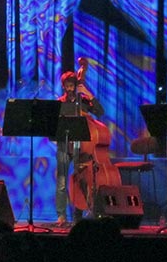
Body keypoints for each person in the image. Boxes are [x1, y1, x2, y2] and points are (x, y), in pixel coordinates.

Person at [55, 70, 104, 226]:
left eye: (72, 86)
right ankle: (61, 216)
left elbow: (100, 112)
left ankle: (78, 216)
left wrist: (89, 94)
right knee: (62, 182)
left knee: (80, 180)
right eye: (67, 86)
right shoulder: (59, 103)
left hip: (81, 148)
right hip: (64, 146)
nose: (70, 89)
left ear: (76, 86)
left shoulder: (82, 101)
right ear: (63, 86)